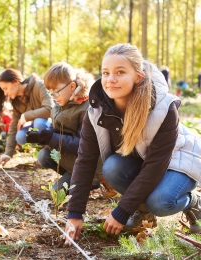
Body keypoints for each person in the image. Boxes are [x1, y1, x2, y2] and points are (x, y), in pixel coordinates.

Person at [64, 43, 201, 244]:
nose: (110, 79)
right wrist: (74, 214)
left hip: (179, 160)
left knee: (161, 202)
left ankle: (194, 201)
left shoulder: (164, 107)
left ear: (138, 76)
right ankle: (143, 213)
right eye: (106, 72)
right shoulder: (96, 111)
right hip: (143, 160)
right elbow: (85, 161)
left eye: (120, 72)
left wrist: (121, 211)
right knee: (112, 167)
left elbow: (154, 167)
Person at [25, 62, 117, 197]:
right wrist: (41, 137)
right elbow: (56, 127)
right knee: (44, 156)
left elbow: (83, 145)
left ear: (72, 86)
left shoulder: (87, 108)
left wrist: (51, 138)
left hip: (89, 162)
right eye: (50, 93)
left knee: (56, 193)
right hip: (73, 158)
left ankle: (94, 179)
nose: (53, 97)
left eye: (56, 92)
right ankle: (78, 178)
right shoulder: (61, 101)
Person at [0, 68, 54, 166]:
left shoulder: (39, 85)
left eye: (5, 88)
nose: (5, 93)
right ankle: (41, 153)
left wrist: (25, 116)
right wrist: (8, 153)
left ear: (15, 81)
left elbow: (50, 109)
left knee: (39, 122)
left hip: (52, 126)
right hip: (37, 128)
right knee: (20, 136)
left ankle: (50, 151)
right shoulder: (16, 101)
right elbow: (13, 126)